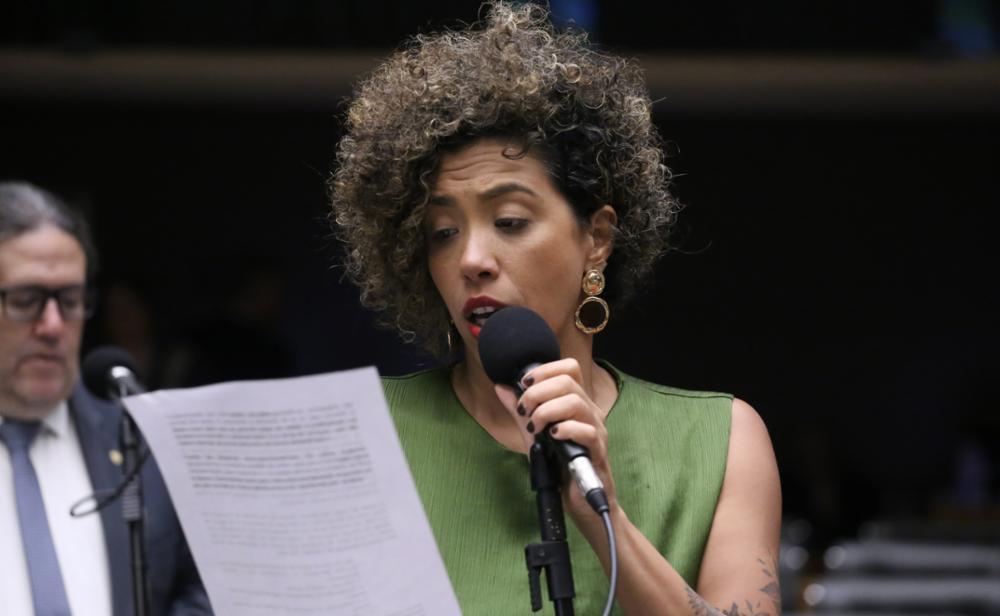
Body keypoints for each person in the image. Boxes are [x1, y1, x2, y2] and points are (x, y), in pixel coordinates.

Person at [330, 2, 781, 614]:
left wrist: (600, 512)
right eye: (442, 233)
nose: (471, 259)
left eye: (510, 221)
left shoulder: (720, 441)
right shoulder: (364, 434)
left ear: (597, 238)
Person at [0, 181, 211, 615]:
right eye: (25, 300)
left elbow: (198, 592)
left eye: (70, 299)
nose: (52, 325)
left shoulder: (141, 443)